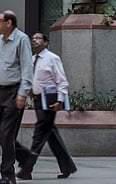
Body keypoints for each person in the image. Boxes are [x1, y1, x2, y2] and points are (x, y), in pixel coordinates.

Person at [16, 32, 77, 180]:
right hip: (38, 100)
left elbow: (61, 81)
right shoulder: (32, 60)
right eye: (33, 38)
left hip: (49, 101)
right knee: (51, 135)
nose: (35, 41)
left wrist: (60, 100)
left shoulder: (52, 58)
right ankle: (67, 166)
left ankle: (27, 168)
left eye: (38, 38)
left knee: (39, 134)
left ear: (46, 42)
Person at [0, 9, 33, 184]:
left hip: (15, 92)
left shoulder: (22, 39)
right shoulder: (1, 39)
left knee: (7, 133)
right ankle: (26, 158)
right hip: (0, 91)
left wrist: (23, 93)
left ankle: (7, 175)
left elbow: (27, 68)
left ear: (9, 23)